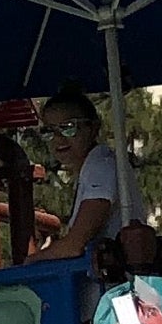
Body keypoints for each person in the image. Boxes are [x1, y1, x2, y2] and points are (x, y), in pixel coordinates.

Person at [25, 90, 134, 262]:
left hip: (116, 286)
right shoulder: (92, 167)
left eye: (68, 128)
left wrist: (31, 262)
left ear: (94, 127)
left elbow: (74, 245)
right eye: (49, 131)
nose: (58, 139)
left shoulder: (100, 165)